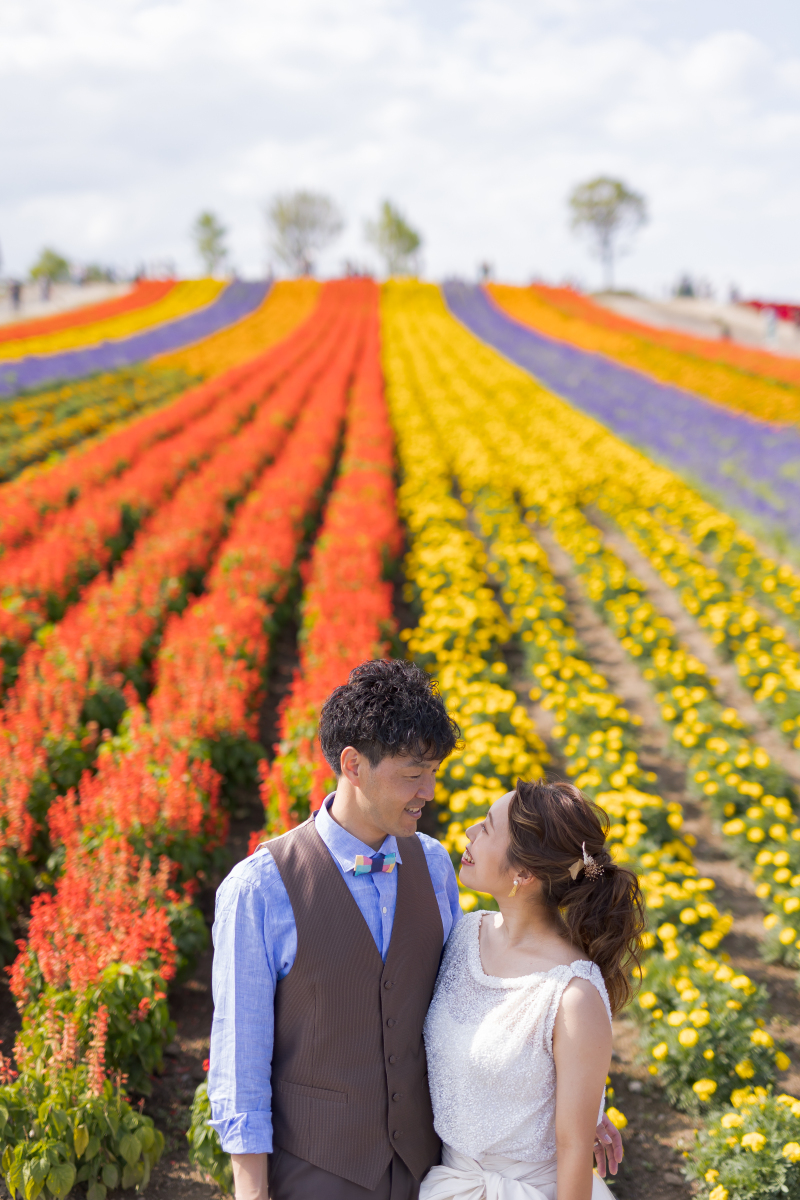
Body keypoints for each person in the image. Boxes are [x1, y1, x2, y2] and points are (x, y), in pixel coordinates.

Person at [207, 660, 624, 1200]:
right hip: (317, 1173)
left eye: (433, 771)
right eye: (412, 773)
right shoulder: (260, 888)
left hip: (432, 1176)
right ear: (353, 765)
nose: (428, 790)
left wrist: (581, 1103)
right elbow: (241, 1063)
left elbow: (490, 1002)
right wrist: (251, 1191)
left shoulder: (433, 867)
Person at [420, 779, 645, 1200]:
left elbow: (575, 1149)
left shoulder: (573, 994)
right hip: (447, 1182)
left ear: (524, 872)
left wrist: (586, 1110)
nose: (469, 832)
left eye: (486, 827)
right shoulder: (466, 933)